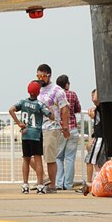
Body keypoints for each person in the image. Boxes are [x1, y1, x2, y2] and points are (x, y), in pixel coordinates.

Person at [9, 80, 53, 193]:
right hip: (36, 134)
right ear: (38, 92)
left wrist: (19, 123)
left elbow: (11, 109)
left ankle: (25, 184)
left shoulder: (23, 102)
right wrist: (50, 109)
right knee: (38, 160)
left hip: (25, 134)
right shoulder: (39, 104)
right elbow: (51, 116)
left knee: (26, 159)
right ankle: (39, 184)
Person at [36, 64, 70, 193]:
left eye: (43, 76)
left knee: (50, 158)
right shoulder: (37, 89)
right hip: (37, 127)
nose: (40, 78)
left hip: (51, 127)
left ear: (49, 75)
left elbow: (64, 109)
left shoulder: (57, 91)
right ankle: (42, 180)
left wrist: (65, 128)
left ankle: (53, 185)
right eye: (38, 76)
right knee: (33, 156)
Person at [55, 75, 82, 191]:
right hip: (72, 129)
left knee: (58, 157)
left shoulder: (55, 96)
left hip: (60, 129)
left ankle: (59, 183)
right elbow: (78, 109)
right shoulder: (72, 94)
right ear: (66, 84)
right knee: (70, 158)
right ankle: (68, 184)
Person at [84, 88, 107, 192]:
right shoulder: (98, 109)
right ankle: (96, 182)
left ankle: (89, 184)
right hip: (98, 136)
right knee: (98, 162)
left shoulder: (103, 106)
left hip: (100, 137)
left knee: (90, 160)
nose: (93, 98)